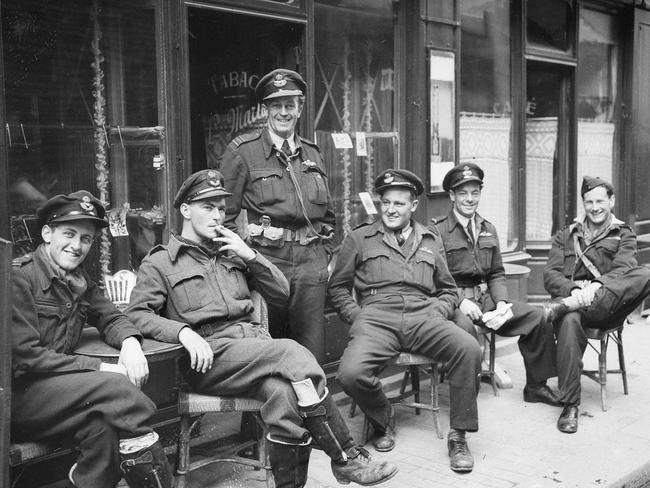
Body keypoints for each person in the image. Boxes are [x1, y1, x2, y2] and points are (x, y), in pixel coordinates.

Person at [126, 170, 397, 487]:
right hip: (208, 358)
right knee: (292, 352)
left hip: (252, 351)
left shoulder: (232, 251)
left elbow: (282, 293)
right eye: (207, 207)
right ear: (185, 210)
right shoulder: (159, 263)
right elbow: (137, 314)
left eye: (221, 208)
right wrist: (182, 333)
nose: (217, 216)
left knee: (282, 395)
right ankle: (346, 457)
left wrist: (251, 255)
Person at [11, 190, 172, 488]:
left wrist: (130, 343)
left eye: (86, 239)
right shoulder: (19, 278)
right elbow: (26, 357)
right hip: (18, 397)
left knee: (103, 432)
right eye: (69, 234)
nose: (76, 246)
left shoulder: (79, 281)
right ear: (47, 233)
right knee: (118, 388)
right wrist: (101, 369)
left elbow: (111, 317)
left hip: (60, 392)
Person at [328, 169, 482, 473]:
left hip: (424, 315)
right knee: (349, 373)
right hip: (376, 319)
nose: (391, 209)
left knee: (469, 349)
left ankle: (459, 436)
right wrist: (357, 317)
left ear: (413, 206)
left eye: (399, 203)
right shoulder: (359, 238)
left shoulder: (430, 239)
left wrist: (437, 311)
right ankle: (383, 418)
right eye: (385, 202)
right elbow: (337, 287)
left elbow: (448, 289)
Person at [218, 68, 335, 362]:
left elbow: (329, 217)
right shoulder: (243, 152)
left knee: (311, 357)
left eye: (289, 105)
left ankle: (309, 409)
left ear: (300, 107)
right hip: (269, 264)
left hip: (311, 268)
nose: (283, 112)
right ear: (266, 109)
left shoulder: (313, 153)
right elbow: (224, 217)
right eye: (276, 105)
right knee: (270, 356)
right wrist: (246, 261)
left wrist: (325, 257)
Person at [434, 163, 559, 407]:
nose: (470, 199)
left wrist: (501, 301)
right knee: (466, 339)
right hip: (453, 303)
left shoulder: (488, 228)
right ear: (451, 196)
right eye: (463, 193)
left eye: (475, 193)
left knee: (537, 317)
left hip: (486, 300)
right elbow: (434, 277)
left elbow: (496, 273)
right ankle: (466, 400)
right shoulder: (437, 230)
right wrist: (461, 301)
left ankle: (536, 386)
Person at [543, 176, 650, 433]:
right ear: (583, 203)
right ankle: (570, 405)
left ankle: (571, 304)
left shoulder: (624, 234)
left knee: (644, 274)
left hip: (606, 307)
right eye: (589, 202)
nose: (594, 207)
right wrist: (575, 290)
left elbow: (623, 270)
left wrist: (596, 287)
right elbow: (550, 275)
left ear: (611, 201)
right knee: (569, 320)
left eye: (600, 201)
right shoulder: (565, 235)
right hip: (574, 304)